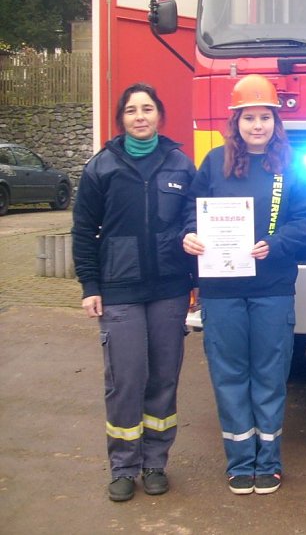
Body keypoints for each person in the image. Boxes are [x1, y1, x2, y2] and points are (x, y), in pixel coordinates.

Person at [182, 74, 306, 495]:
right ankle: (241, 462)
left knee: (270, 374)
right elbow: (191, 212)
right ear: (235, 121)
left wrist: (274, 245)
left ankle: (270, 462)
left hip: (272, 288)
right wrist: (190, 235)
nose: (257, 126)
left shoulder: (292, 168)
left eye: (265, 117)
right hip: (221, 292)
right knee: (229, 374)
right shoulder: (213, 163)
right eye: (249, 118)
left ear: (277, 122)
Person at [72, 83, 196, 502]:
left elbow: (194, 219)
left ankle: (155, 463)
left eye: (147, 109)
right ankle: (123, 466)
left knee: (164, 377)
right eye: (131, 110)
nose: (140, 116)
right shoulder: (101, 167)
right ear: (121, 119)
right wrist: (90, 286)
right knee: (126, 380)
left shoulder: (180, 164)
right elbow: (84, 232)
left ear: (160, 115)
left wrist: (195, 265)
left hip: (169, 290)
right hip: (119, 289)